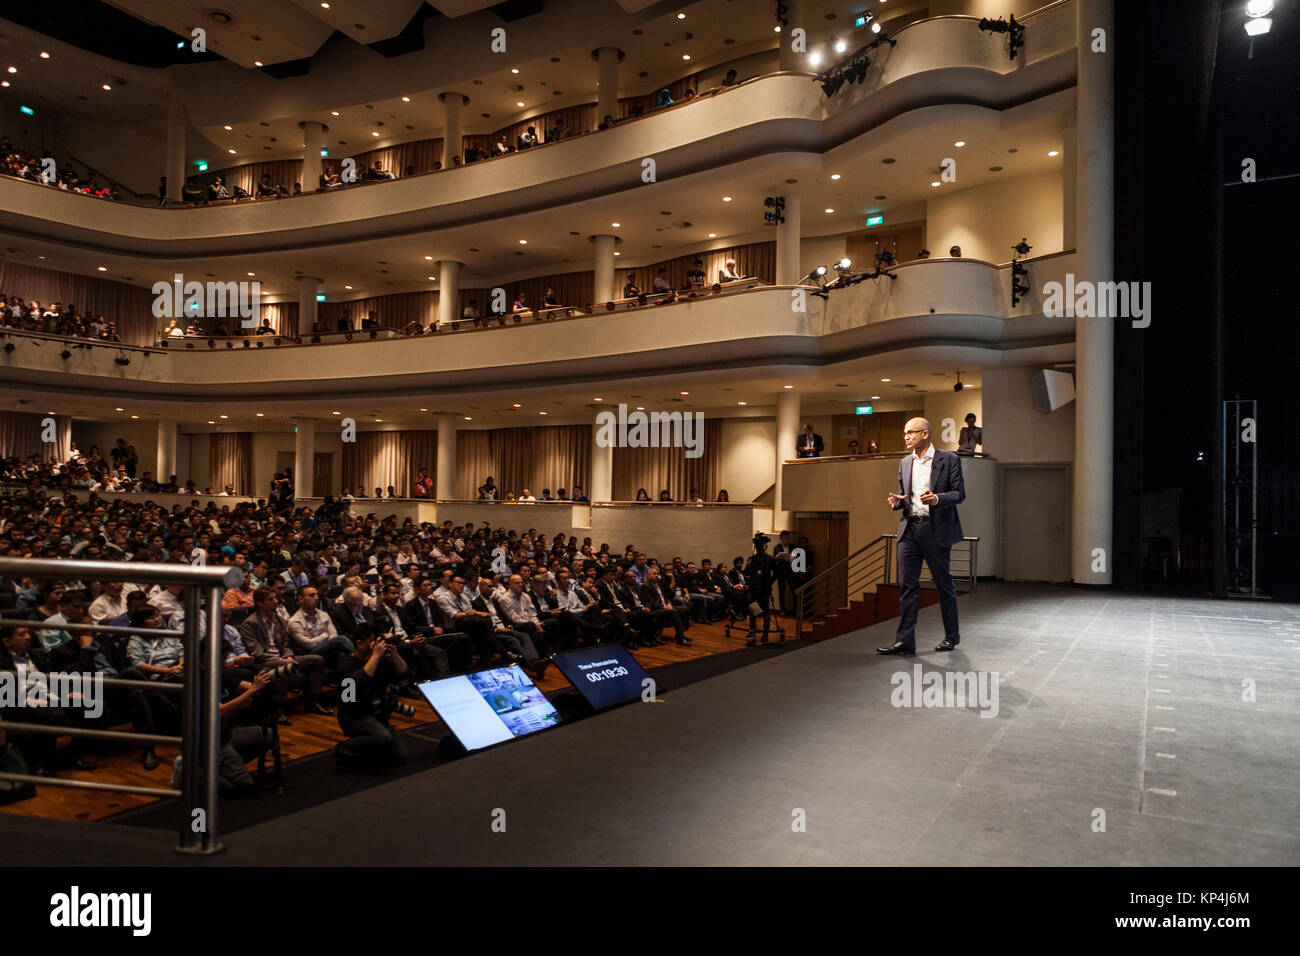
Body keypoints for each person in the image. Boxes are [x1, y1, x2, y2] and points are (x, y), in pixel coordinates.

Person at [878, 417, 965, 655]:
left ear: (925, 434)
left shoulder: (949, 460)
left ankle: (951, 637)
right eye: (905, 433)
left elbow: (959, 493)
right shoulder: (905, 462)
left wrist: (937, 499)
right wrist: (897, 502)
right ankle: (905, 641)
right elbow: (904, 495)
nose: (906, 437)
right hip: (909, 529)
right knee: (907, 586)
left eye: (910, 433)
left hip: (935, 530)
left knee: (943, 585)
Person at [334, 625, 408, 771]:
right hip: (355, 716)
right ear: (360, 643)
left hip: (377, 715)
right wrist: (375, 656)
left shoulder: (379, 660)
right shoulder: (345, 663)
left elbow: (403, 673)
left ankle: (369, 751)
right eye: (372, 641)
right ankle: (343, 750)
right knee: (382, 738)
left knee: (399, 756)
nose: (376, 645)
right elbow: (353, 690)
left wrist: (394, 655)